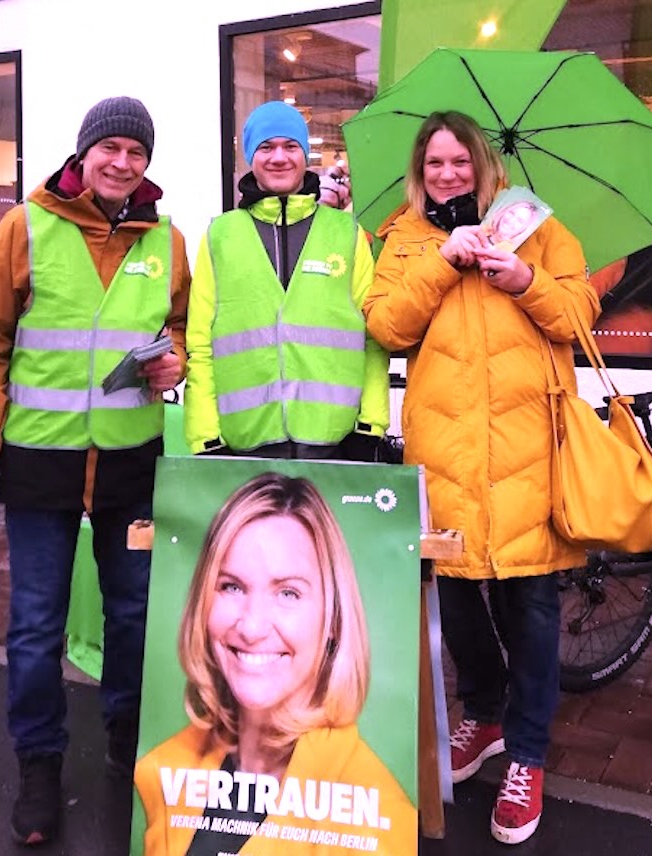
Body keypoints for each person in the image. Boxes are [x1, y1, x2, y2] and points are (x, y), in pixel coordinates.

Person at [363, 111, 600, 845]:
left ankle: (526, 755)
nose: (447, 175)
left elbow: (579, 313)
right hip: (447, 449)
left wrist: (525, 277)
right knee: (459, 596)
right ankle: (486, 714)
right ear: (419, 170)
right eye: (434, 163)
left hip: (528, 446)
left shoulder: (535, 224)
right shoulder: (404, 237)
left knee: (530, 600)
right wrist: (444, 260)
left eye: (459, 161)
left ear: (482, 164)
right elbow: (385, 325)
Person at [0, 96, 191, 846]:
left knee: (133, 616)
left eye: (137, 152)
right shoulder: (24, 228)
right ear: (83, 153)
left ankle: (127, 744)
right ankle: (37, 765)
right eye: (112, 149)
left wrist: (176, 363)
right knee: (34, 626)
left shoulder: (168, 240)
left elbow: (180, 328)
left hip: (130, 463)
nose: (123, 163)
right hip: (40, 460)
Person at [134, 471, 417, 855]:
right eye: (231, 586)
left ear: (333, 620)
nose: (251, 627)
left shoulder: (383, 821)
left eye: (288, 593)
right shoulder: (164, 773)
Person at [184, 101, 389, 462]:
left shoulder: (347, 233)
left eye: (290, 146)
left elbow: (373, 338)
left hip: (334, 442)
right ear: (251, 156)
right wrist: (205, 435)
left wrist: (370, 425)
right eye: (266, 147)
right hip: (244, 441)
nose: (279, 157)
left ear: (305, 154)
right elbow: (200, 344)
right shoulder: (220, 236)